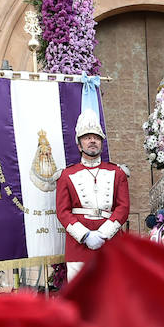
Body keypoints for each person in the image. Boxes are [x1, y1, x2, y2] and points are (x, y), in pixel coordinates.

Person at [55, 111, 130, 280]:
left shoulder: (117, 172)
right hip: (78, 246)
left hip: (110, 242)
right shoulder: (66, 175)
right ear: (80, 145)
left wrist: (103, 234)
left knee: (112, 296)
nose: (92, 141)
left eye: (96, 137)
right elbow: (63, 212)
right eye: (87, 137)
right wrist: (85, 235)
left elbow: (123, 207)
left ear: (101, 143)